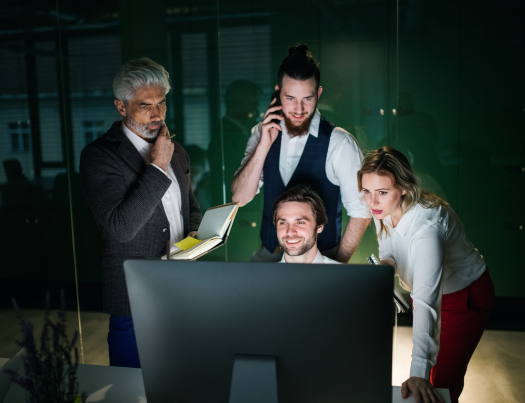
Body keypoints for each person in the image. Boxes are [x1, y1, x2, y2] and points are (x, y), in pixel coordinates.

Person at [80, 57, 202, 368]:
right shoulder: (100, 156)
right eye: (145, 105)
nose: (157, 114)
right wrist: (158, 166)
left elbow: (190, 209)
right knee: (132, 387)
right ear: (121, 107)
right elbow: (121, 228)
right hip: (135, 298)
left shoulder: (177, 150)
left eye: (161, 103)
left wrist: (197, 235)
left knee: (182, 379)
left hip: (183, 289)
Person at [357, 146, 494, 403]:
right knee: (432, 374)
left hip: (464, 297)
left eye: (382, 192)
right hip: (428, 290)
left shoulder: (428, 228)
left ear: (404, 188)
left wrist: (417, 372)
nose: (372, 202)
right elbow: (388, 244)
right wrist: (387, 266)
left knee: (441, 383)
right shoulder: (382, 207)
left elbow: (425, 301)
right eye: (366, 191)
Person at [231, 43, 370, 263]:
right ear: (278, 94)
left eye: (307, 99)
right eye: (290, 99)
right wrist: (264, 146)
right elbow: (239, 198)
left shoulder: (339, 143)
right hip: (269, 257)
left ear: (319, 93)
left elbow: (361, 212)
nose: (298, 109)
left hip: (320, 261)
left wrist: (336, 267)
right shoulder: (261, 133)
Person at [273, 185, 339, 264]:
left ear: (319, 227)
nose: (290, 232)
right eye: (283, 223)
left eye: (300, 222)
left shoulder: (343, 274)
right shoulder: (265, 275)